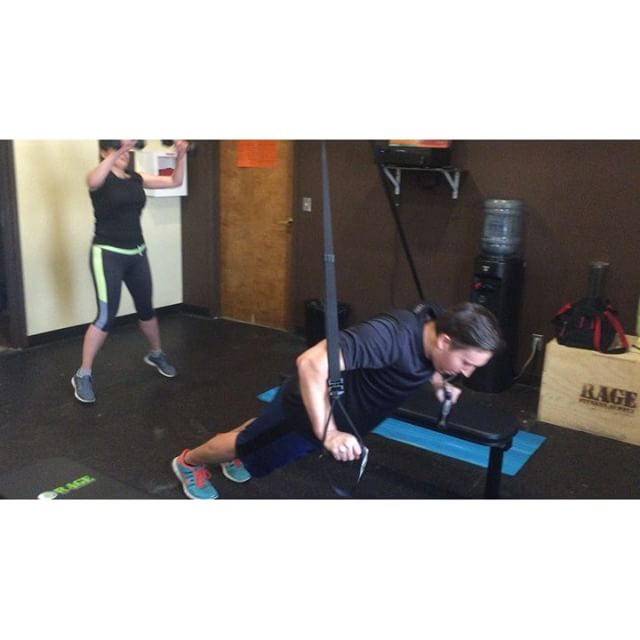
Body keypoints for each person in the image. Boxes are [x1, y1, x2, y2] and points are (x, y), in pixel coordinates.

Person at [171, 301, 503, 499]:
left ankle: (240, 451)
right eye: (467, 364)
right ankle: (190, 462)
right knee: (245, 444)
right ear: (445, 341)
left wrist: (439, 383)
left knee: (258, 433)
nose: (468, 374)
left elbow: (424, 363)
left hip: (324, 417)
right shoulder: (389, 337)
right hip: (308, 414)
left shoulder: (435, 327)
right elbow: (311, 362)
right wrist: (329, 432)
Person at [71, 140, 189, 403]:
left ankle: (156, 353)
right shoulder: (98, 178)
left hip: (137, 254)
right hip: (107, 254)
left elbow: (173, 182)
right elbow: (92, 180)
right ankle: (83, 373)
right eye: (116, 149)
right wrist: (119, 151)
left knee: (147, 310)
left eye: (127, 150)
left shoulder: (136, 178)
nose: (124, 154)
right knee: (105, 317)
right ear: (104, 152)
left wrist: (181, 157)